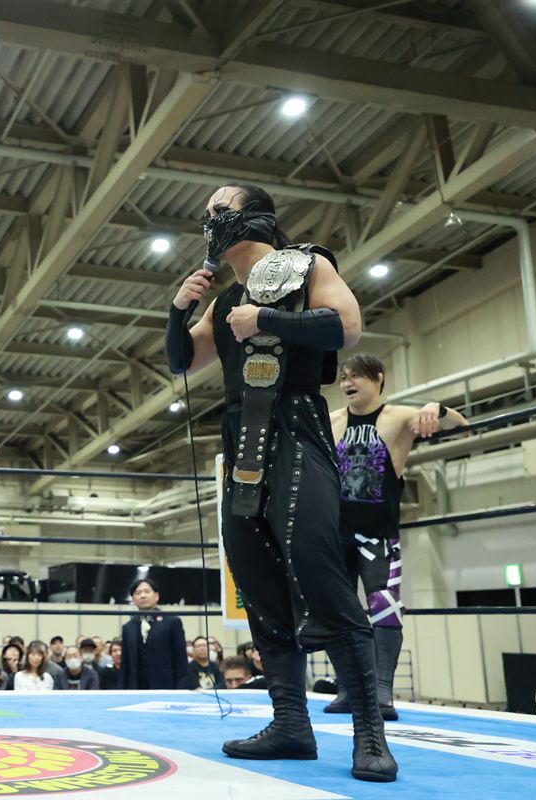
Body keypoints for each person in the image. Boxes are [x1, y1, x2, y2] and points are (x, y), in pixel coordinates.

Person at [167, 183, 396, 781]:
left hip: (296, 427)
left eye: (219, 210)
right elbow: (182, 361)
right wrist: (177, 311)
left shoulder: (307, 264)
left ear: (254, 217)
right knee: (258, 582)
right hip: (241, 441)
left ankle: (370, 734)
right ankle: (291, 723)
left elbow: (347, 327)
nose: (208, 219)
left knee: (321, 573)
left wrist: (265, 318)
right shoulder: (224, 299)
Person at [325, 353, 467, 721]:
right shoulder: (332, 420)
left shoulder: (399, 417)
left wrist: (435, 408)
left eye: (355, 376)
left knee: (384, 605)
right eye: (343, 377)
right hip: (335, 535)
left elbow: (460, 424)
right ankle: (348, 688)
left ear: (378, 378)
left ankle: (382, 691)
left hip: (378, 535)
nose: (347, 383)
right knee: (335, 610)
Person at [119, 578, 188, 690]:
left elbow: (181, 660)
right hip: (136, 689)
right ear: (133, 599)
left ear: (156, 596)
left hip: (165, 687)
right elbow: (125, 665)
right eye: (138, 593)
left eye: (147, 591)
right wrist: (122, 690)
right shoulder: (128, 627)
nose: (143, 596)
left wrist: (181, 688)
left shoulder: (172, 622)